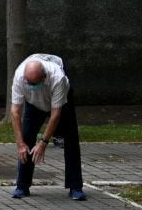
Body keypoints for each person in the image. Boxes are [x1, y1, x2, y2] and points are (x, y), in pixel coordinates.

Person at [10, 53, 86, 201]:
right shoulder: (19, 76)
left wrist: (44, 142)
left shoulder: (58, 78)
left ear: (44, 77)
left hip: (60, 102)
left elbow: (55, 114)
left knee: (71, 138)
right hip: (33, 104)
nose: (31, 87)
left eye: (35, 84)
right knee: (26, 137)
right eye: (28, 83)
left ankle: (75, 186)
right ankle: (22, 185)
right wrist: (20, 143)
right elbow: (15, 111)